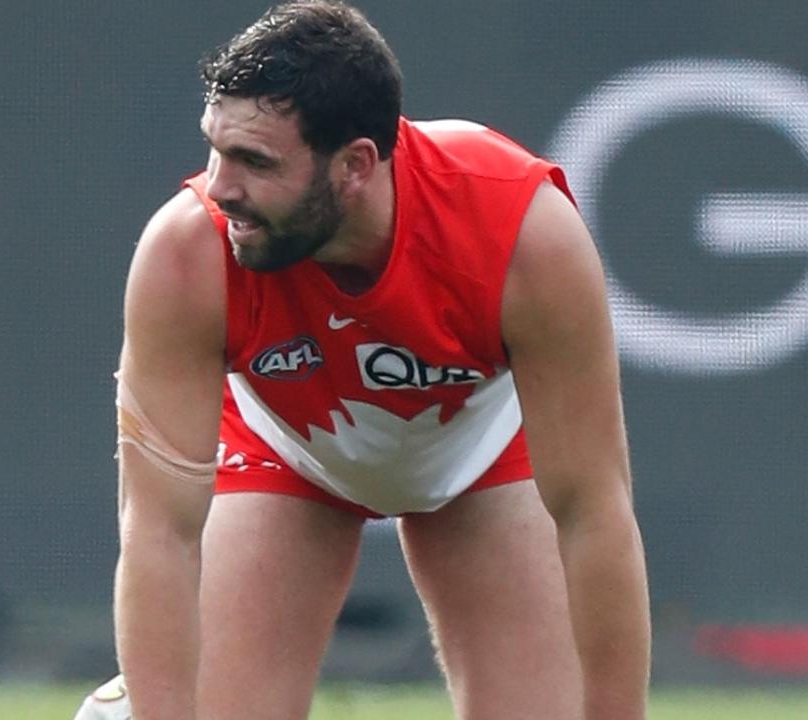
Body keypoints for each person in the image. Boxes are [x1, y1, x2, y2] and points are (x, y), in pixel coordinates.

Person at [79, 2, 650, 718]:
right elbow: (159, 533)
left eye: (255, 161)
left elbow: (594, 511)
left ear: (354, 166)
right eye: (216, 149)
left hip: (481, 452)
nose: (220, 188)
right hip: (286, 447)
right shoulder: (185, 252)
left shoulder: (522, 230)